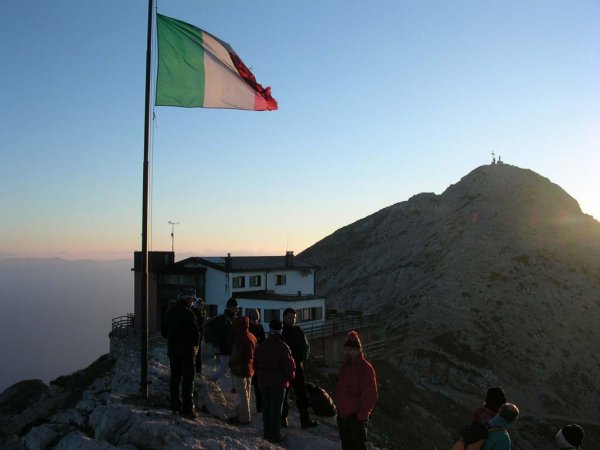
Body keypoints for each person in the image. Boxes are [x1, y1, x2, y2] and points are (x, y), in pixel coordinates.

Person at [254, 319, 296, 444]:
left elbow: (255, 363)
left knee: (266, 407)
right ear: (280, 330)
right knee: (276, 410)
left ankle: (267, 433)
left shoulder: (263, 345)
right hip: (278, 383)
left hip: (263, 381)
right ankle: (275, 435)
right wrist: (289, 378)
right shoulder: (283, 347)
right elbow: (290, 366)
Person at [161, 288, 200, 418]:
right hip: (187, 352)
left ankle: (174, 406)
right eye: (192, 300)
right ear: (189, 299)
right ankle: (187, 409)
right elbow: (195, 335)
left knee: (175, 378)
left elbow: (164, 332)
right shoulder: (189, 314)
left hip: (173, 350)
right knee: (188, 380)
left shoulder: (170, 312)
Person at [336, 330, 378, 450]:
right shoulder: (345, 367)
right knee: (346, 445)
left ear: (358, 350)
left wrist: (363, 414)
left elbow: (371, 394)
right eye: (346, 349)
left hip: (356, 416)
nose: (347, 352)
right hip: (343, 415)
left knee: (358, 446)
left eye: (351, 349)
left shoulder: (365, 368)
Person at [281, 307, 319, 428]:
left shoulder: (298, 331)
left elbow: (306, 346)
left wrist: (302, 358)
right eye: (290, 318)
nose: (292, 320)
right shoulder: (281, 332)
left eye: (294, 318)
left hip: (297, 367)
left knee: (301, 394)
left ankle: (305, 420)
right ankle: (283, 419)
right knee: (284, 395)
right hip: (285, 369)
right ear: (284, 317)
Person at [227, 316, 257, 425]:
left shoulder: (239, 338)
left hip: (239, 370)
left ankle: (244, 417)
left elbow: (235, 356)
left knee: (242, 395)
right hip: (250, 369)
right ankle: (243, 414)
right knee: (247, 393)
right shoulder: (252, 336)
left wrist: (231, 365)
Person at [209, 297, 238, 383]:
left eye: (237, 307)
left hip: (231, 347)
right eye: (236, 307)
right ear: (230, 307)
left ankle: (234, 386)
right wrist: (217, 347)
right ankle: (212, 380)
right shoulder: (223, 319)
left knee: (233, 367)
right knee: (225, 367)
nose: (237, 309)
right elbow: (217, 333)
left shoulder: (233, 318)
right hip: (225, 347)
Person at [248, 308, 266, 413]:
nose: (255, 320)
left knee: (253, 384)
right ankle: (259, 406)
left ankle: (257, 406)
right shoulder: (258, 328)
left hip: (253, 359)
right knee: (256, 385)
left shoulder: (252, 328)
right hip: (255, 359)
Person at [191, 297, 207, 374]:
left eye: (202, 305)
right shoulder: (192, 312)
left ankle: (198, 369)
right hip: (193, 334)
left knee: (198, 352)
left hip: (199, 335)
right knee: (194, 352)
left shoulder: (202, 312)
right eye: (200, 305)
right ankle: (194, 368)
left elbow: (203, 323)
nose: (201, 306)